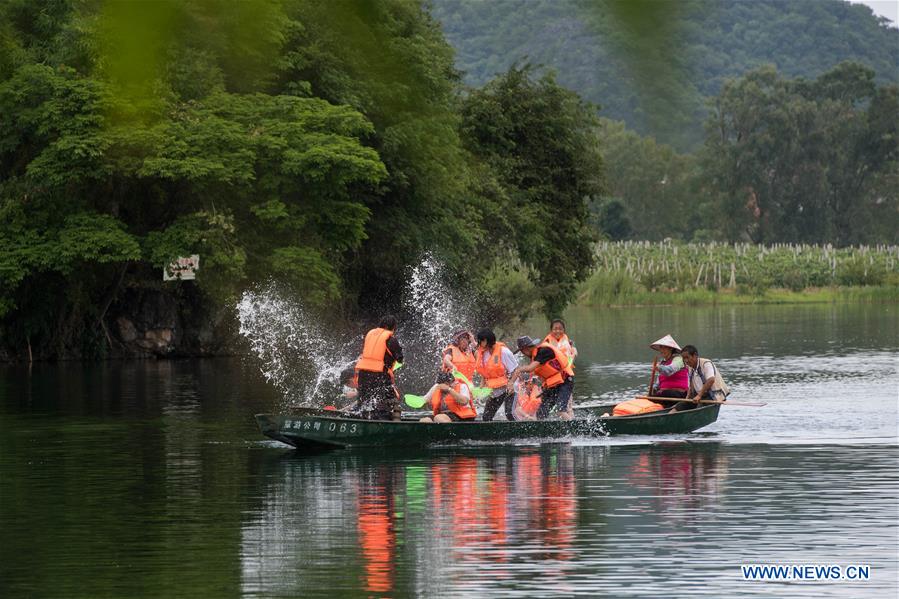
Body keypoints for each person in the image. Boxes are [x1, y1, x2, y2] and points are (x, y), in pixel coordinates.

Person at [509, 336, 575, 420]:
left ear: (525, 349)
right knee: (541, 413)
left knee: (561, 410)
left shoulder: (543, 351)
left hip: (565, 380)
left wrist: (517, 372)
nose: (523, 354)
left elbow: (530, 369)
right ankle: (539, 429)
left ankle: (575, 428)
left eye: (522, 352)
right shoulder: (535, 357)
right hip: (553, 384)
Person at [354, 315, 404, 420]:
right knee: (388, 404)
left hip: (363, 374)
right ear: (392, 327)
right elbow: (400, 358)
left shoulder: (369, 334)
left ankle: (360, 420)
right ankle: (385, 424)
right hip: (379, 376)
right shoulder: (390, 339)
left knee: (364, 403)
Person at [474, 328, 518, 421]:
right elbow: (485, 372)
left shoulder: (504, 352)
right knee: (486, 417)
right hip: (494, 391)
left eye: (480, 341)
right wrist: (481, 387)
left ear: (485, 341)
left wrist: (511, 383)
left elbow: (516, 370)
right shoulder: (483, 353)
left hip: (508, 389)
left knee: (509, 414)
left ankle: (522, 433)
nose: (479, 344)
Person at [676, 345, 731, 412]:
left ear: (695, 355)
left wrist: (699, 395)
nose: (686, 361)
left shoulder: (706, 363)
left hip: (712, 396)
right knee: (680, 406)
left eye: (687, 357)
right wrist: (687, 398)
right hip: (699, 396)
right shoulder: (690, 367)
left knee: (698, 408)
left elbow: (711, 380)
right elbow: (691, 386)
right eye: (684, 358)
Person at [649, 335, 689, 399]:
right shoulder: (662, 362)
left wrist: (659, 367)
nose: (662, 350)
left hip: (679, 393)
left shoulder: (679, 359)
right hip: (665, 393)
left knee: (665, 393)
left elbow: (669, 370)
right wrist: (654, 388)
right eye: (661, 348)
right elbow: (659, 382)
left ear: (670, 349)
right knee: (651, 396)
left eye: (664, 348)